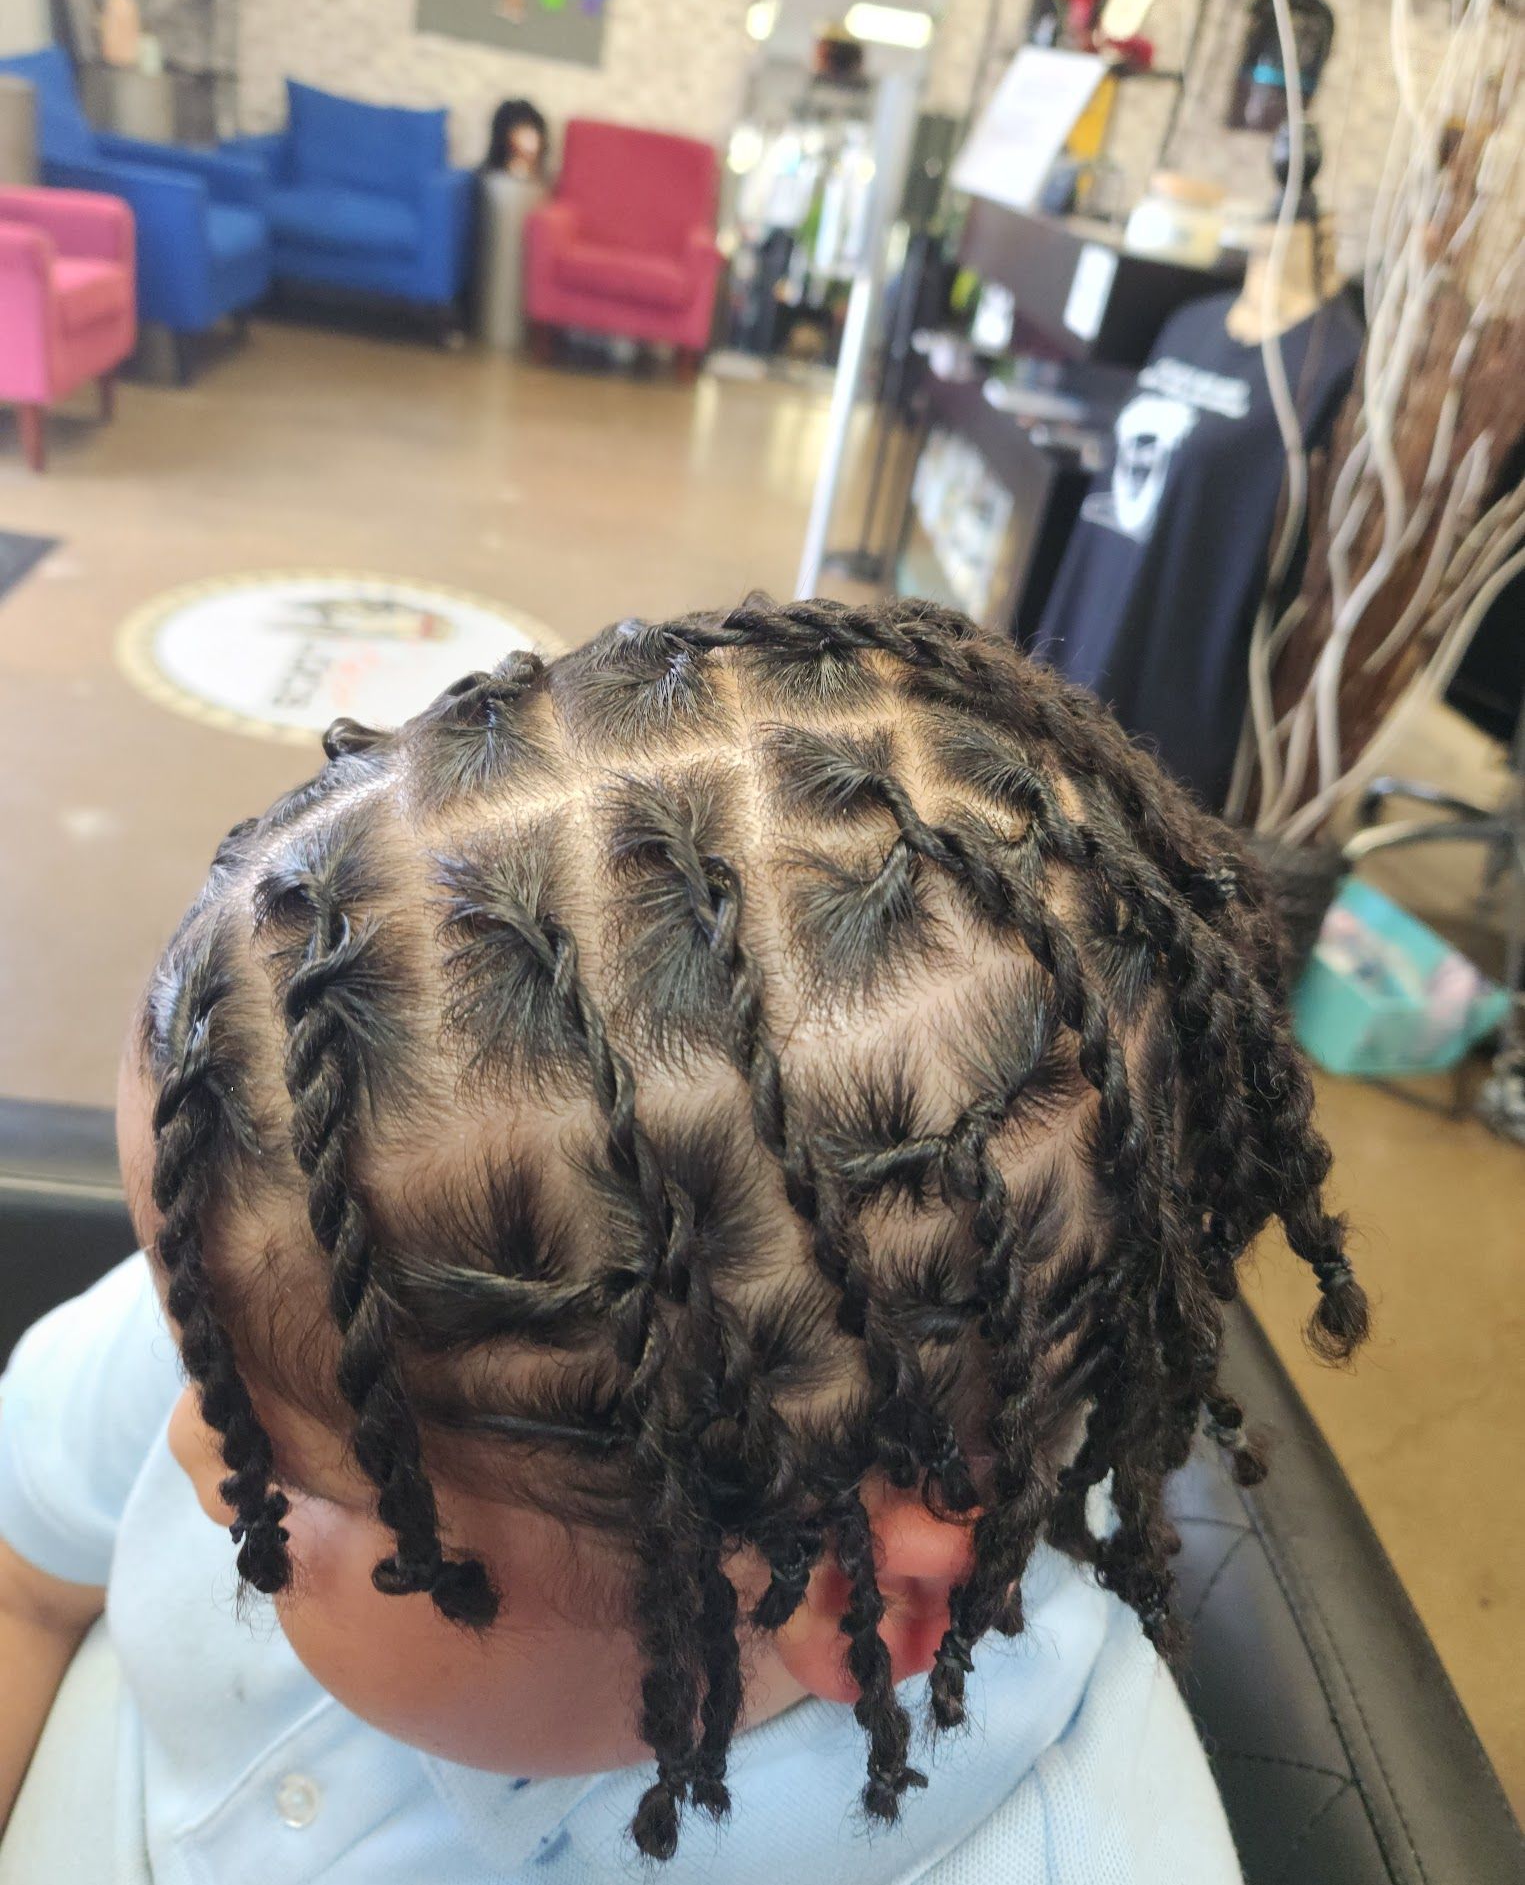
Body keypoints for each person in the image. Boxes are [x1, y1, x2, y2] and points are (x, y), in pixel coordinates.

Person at [0, 597, 1367, 1882]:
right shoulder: (283, 1288)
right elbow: (24, 1579)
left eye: (296, 1475)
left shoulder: (1067, 1846)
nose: (188, 1441)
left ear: (860, 1609)